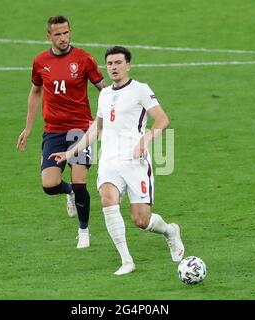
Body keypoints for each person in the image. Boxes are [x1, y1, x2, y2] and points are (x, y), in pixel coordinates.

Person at [48, 46, 184, 275]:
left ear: (128, 65)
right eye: (110, 63)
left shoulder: (141, 90)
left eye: (118, 63)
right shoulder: (104, 94)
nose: (113, 67)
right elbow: (95, 129)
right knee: (107, 200)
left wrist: (146, 139)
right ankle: (127, 260)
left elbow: (162, 119)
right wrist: (71, 152)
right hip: (109, 162)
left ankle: (170, 232)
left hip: (134, 162)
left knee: (141, 220)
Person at [17, 15, 107, 249]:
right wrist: (28, 128)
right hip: (53, 131)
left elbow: (103, 90)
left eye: (66, 33)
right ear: (49, 36)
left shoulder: (84, 59)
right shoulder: (40, 62)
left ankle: (84, 231)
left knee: (80, 181)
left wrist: (114, 112)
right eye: (57, 34)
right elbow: (35, 92)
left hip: (80, 129)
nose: (63, 38)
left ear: (70, 32)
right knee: (49, 185)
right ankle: (67, 192)